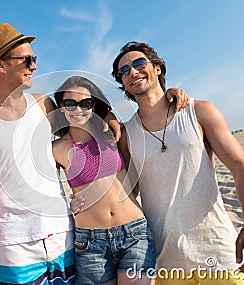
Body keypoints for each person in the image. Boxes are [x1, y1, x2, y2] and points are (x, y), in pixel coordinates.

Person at [0, 23, 187, 284]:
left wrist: (111, 115)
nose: (34, 66)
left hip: (65, 234)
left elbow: (82, 116)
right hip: (12, 242)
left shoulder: (44, 104)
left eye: (34, 59)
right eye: (27, 59)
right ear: (0, 65)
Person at [109, 42, 244, 284]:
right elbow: (126, 194)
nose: (132, 72)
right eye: (124, 70)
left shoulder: (199, 111)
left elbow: (240, 166)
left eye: (139, 63)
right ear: (122, 83)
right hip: (166, 264)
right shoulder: (127, 135)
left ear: (158, 68)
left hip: (219, 254)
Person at [52, 75, 156, 285]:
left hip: (134, 233)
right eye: (70, 103)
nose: (78, 109)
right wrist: (66, 205)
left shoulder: (113, 134)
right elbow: (44, 189)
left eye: (85, 103)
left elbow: (132, 173)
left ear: (94, 105)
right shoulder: (56, 149)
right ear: (61, 107)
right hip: (90, 243)